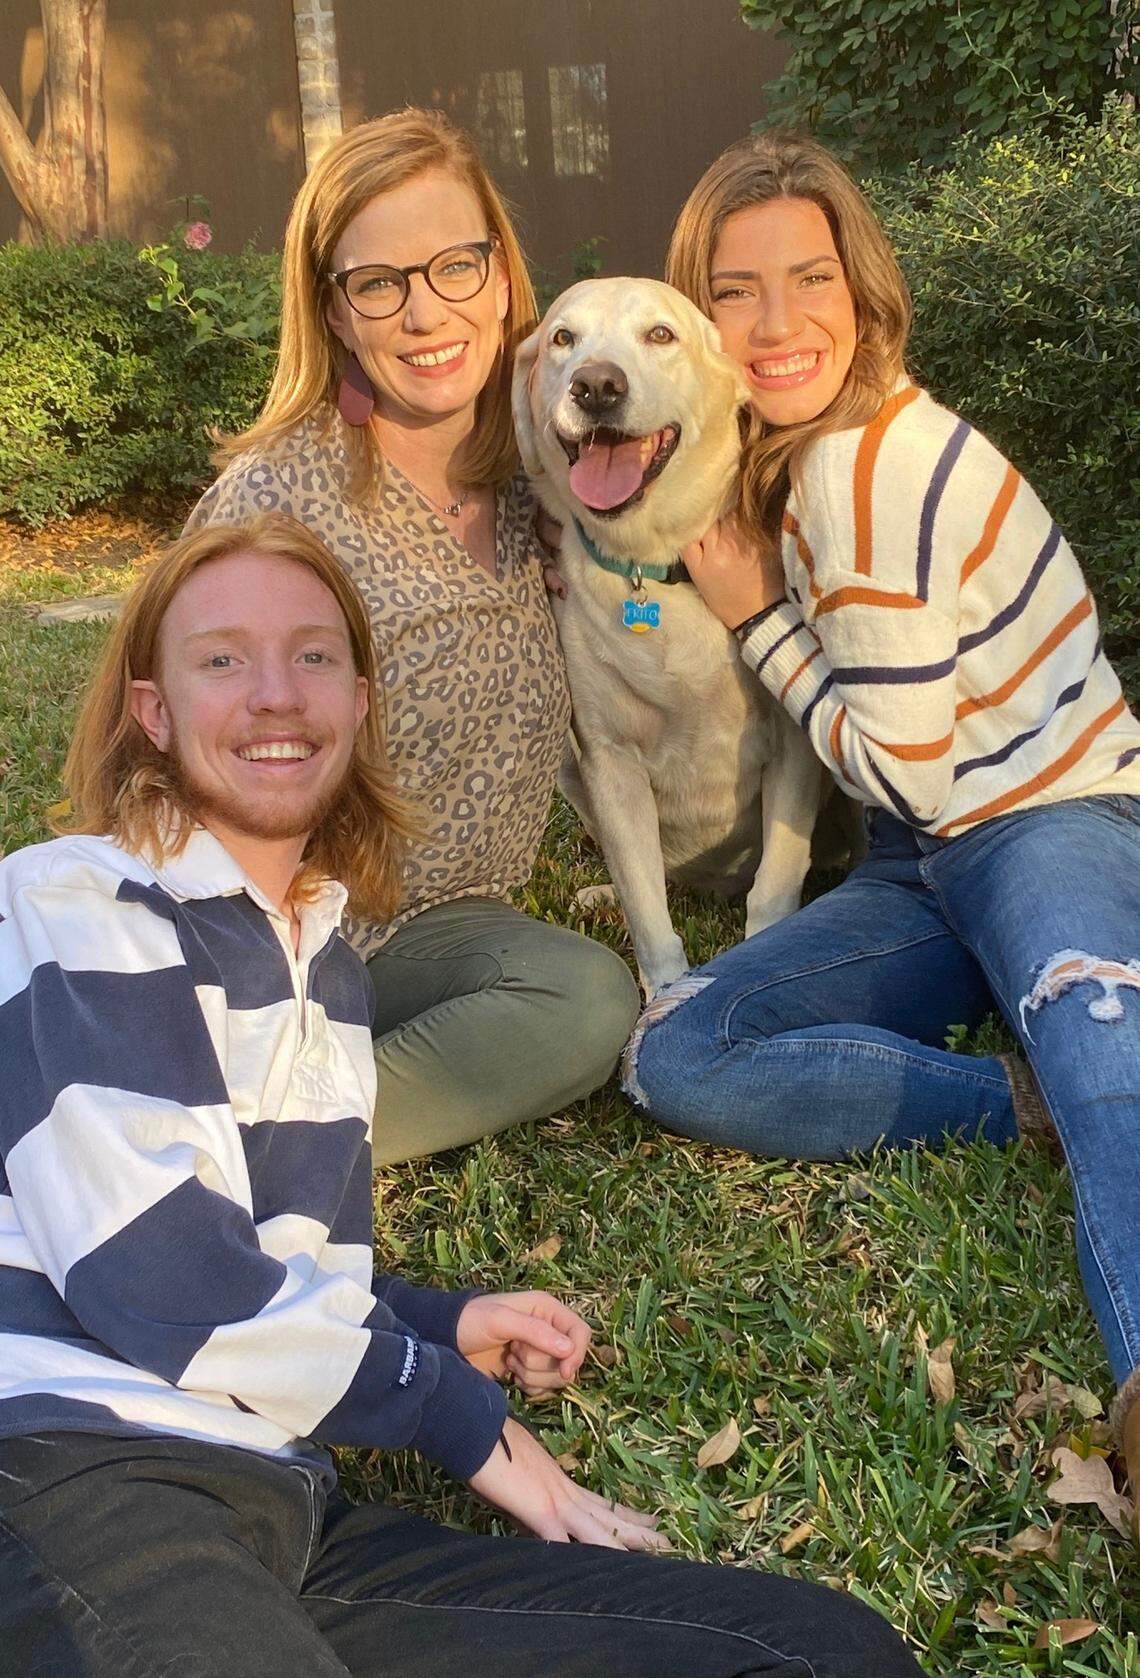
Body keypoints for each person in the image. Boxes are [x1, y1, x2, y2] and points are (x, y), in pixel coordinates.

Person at [0, 513, 923, 1676]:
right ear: (156, 712)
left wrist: (439, 1320)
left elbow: (265, 1262)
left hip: (290, 1512)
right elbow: (156, 1272)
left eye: (316, 656)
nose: (276, 693)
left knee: (818, 1653)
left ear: (362, 701)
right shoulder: (83, 896)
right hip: (74, 1471)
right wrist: (446, 1404)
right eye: (222, 658)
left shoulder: (330, 973)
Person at [625, 130, 1140, 1545]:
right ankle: (1008, 1102)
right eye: (735, 290)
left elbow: (879, 754)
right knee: (681, 1050)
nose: (777, 321)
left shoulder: (867, 473)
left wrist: (749, 609)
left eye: (811, 277)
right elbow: (906, 787)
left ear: (866, 290)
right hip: (926, 854)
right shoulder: (787, 454)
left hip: (1051, 813)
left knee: (1096, 1029)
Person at [186, 108, 638, 1165]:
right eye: (380, 281)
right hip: (265, 939)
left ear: (500, 275)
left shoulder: (546, 483)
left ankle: (275, 1144)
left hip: (430, 937)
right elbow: (157, 756)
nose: (426, 309)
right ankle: (219, 1145)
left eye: (455, 265)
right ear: (337, 312)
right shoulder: (278, 501)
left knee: (582, 996)